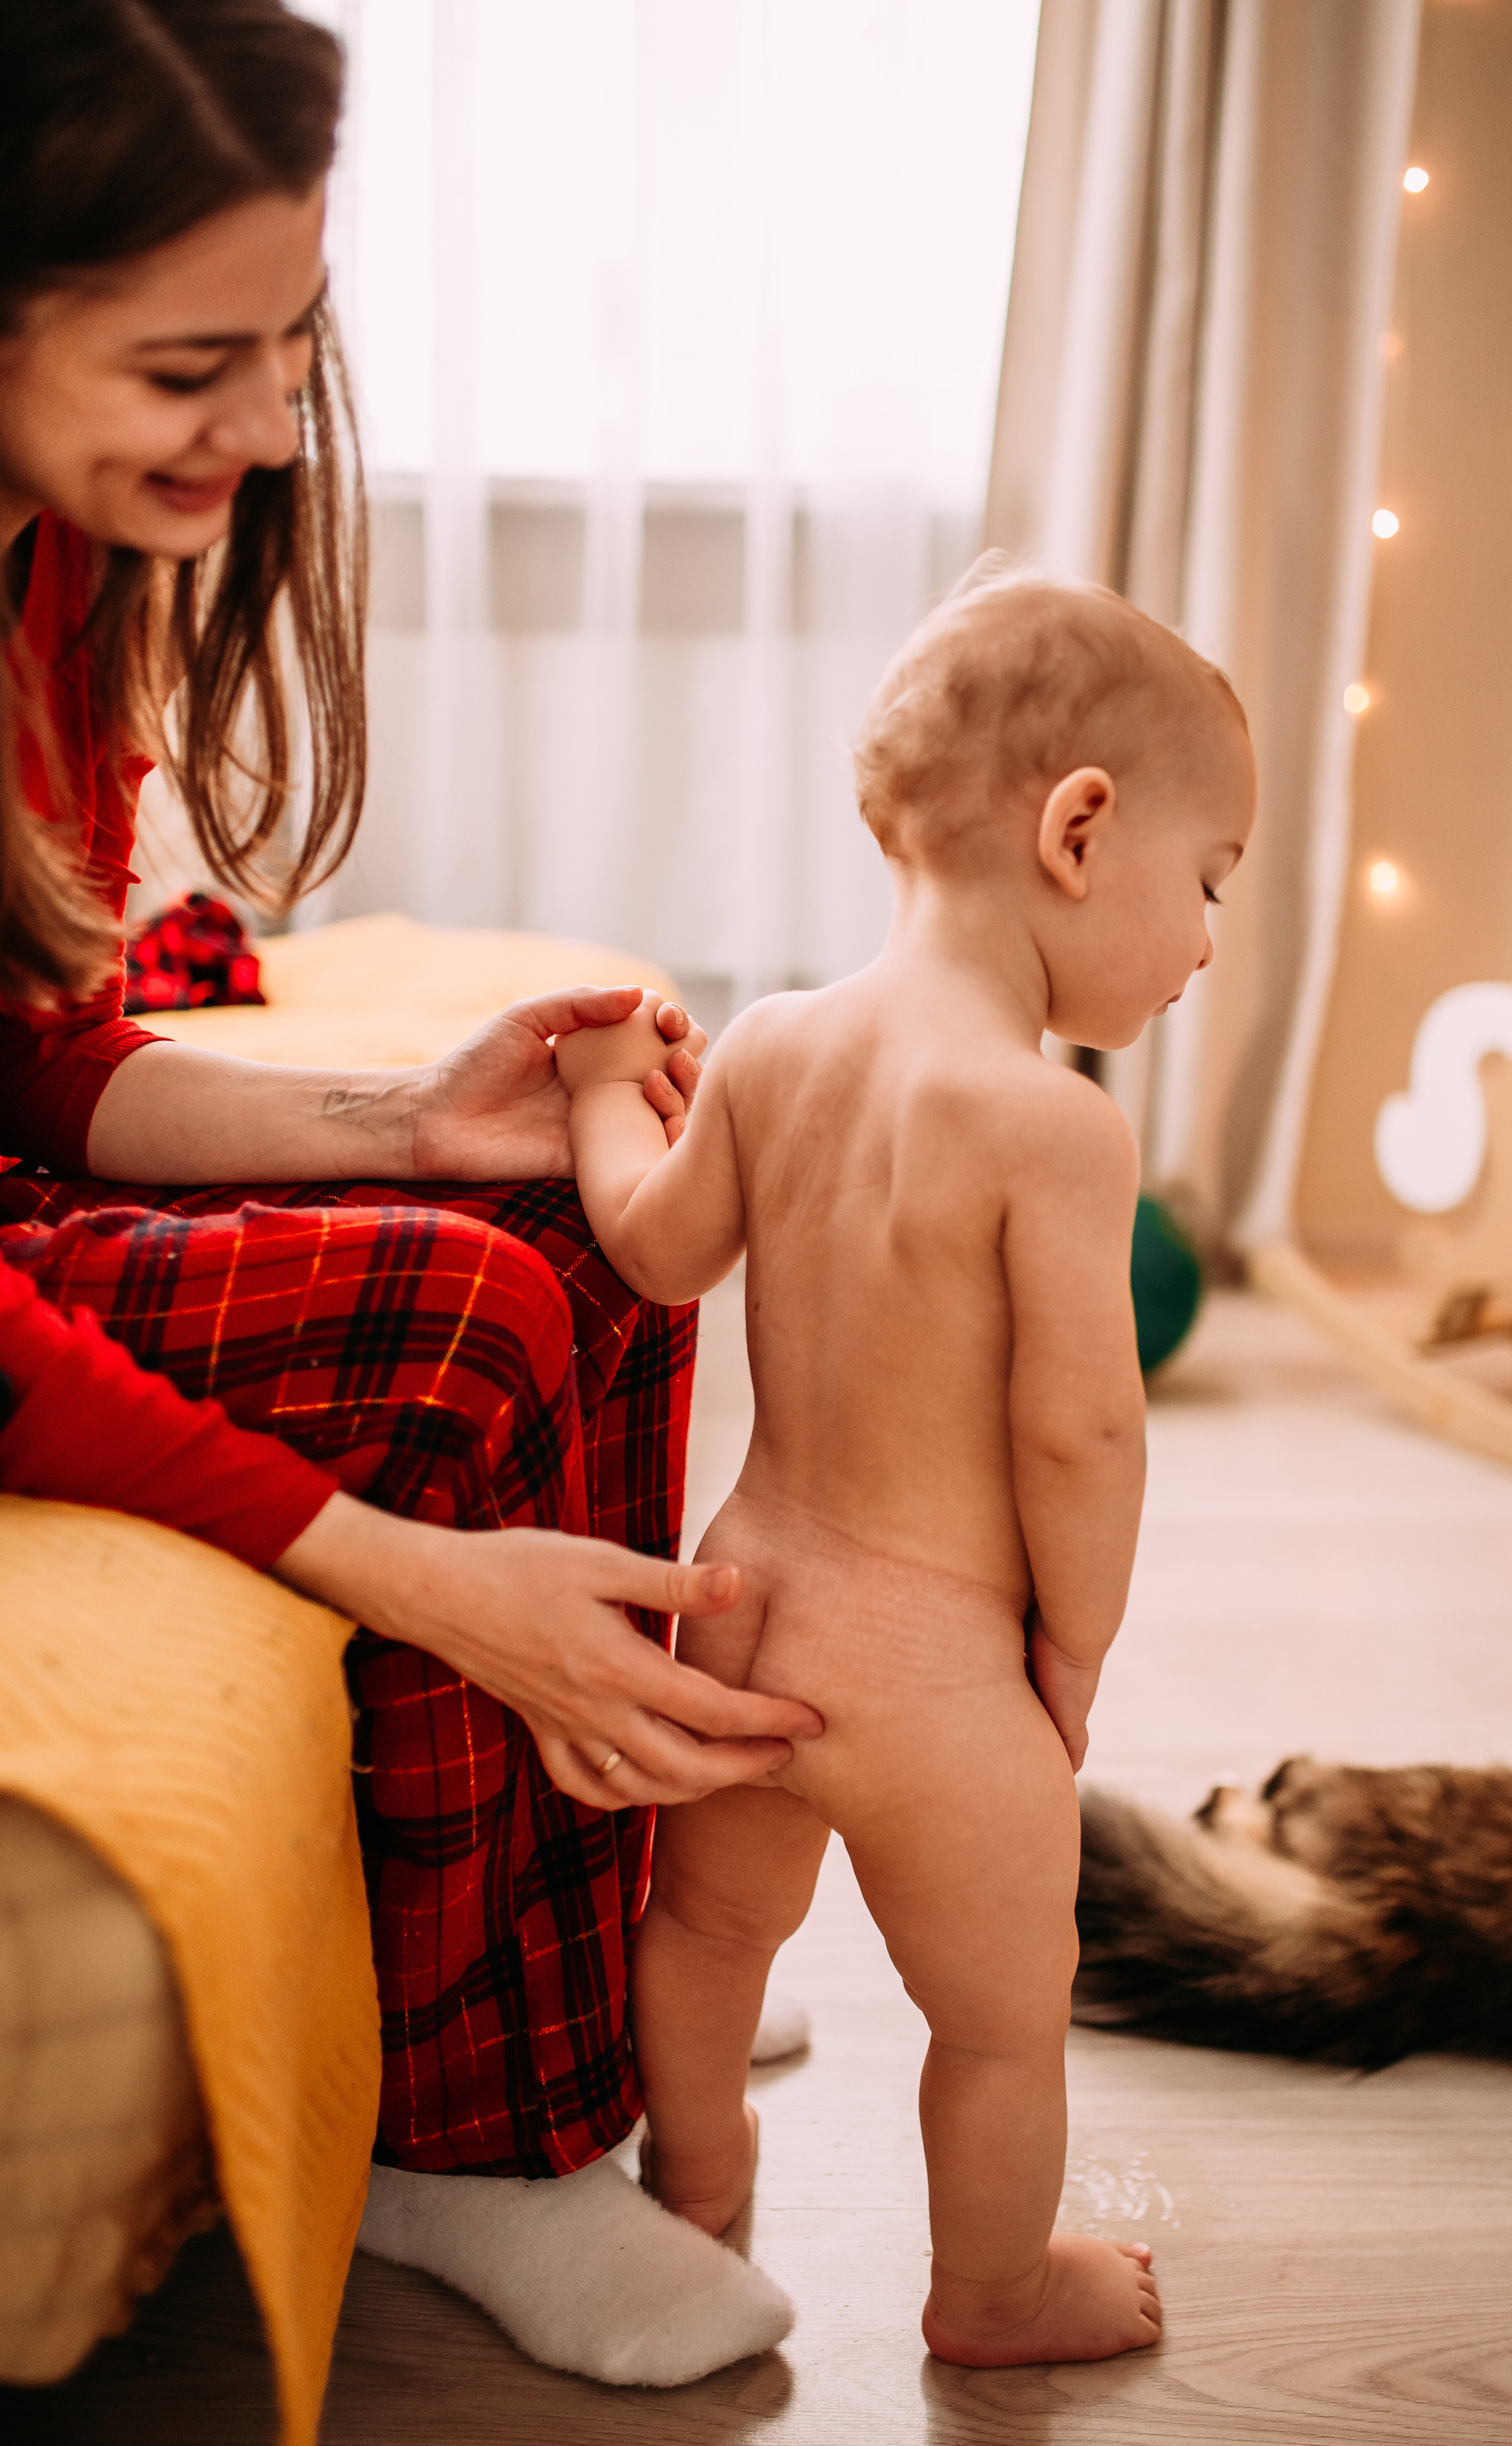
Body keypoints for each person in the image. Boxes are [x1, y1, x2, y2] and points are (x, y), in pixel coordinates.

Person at [0, 0, 820, 2392]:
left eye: (289, 346)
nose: (268, 431)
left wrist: (408, 1118)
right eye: (190, 369)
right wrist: (410, 1574)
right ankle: (475, 2143)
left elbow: (35, 1052)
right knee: (464, 1333)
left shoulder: (59, 564)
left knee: (583, 1196)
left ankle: (580, 1959)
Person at [555, 566, 1257, 2366]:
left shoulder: (775, 1044)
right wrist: (1072, 1649)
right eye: (1207, 883)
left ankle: (696, 2187)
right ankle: (994, 2293)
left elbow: (653, 1248)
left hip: (745, 1609)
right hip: (938, 1675)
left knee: (708, 1934)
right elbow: (1080, 1432)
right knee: (1005, 2019)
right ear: (1079, 833)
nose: (1205, 943)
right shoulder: (1053, 1127)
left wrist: (601, 1093)